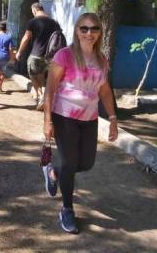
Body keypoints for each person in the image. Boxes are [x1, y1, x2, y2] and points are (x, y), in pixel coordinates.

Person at [42, 13, 119, 234]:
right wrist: (47, 120)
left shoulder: (102, 59)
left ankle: (53, 173)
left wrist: (113, 118)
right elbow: (50, 89)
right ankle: (67, 209)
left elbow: (104, 90)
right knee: (70, 163)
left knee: (86, 163)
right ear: (76, 30)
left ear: (99, 32)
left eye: (94, 28)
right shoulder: (64, 56)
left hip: (89, 118)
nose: (89, 33)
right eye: (84, 28)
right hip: (64, 116)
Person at [16, 3, 61, 109]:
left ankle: (41, 96)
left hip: (36, 54)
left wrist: (19, 52)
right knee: (41, 76)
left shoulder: (33, 21)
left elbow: (26, 37)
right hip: (50, 56)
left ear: (34, 10)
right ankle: (40, 96)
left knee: (32, 74)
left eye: (32, 12)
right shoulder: (54, 22)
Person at [0, 21, 15, 93]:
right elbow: (11, 48)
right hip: (6, 57)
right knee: (2, 72)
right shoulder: (9, 36)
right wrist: (12, 58)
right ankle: (0, 88)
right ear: (5, 29)